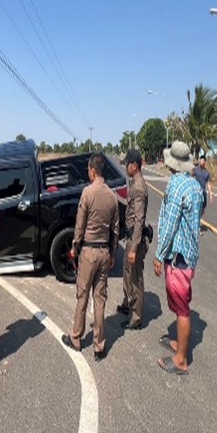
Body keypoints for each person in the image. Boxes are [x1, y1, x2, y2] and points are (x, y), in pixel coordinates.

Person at [62, 153, 119, 361]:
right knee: (100, 299)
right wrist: (112, 253)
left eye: (88, 170)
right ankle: (99, 346)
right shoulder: (112, 196)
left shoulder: (87, 193)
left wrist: (74, 247)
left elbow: (80, 225)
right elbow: (115, 229)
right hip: (104, 252)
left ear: (93, 171)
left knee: (82, 295)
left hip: (89, 252)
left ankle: (76, 338)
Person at [153, 141, 203, 375]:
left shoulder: (176, 186)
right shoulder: (194, 185)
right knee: (180, 302)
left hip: (178, 256)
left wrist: (159, 254)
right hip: (189, 253)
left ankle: (181, 359)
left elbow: (170, 224)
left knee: (181, 307)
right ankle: (178, 345)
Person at [117, 149, 149, 330]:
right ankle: (128, 304)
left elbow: (139, 219)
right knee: (127, 273)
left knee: (135, 278)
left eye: (127, 164)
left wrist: (134, 248)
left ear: (134, 165)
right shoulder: (134, 184)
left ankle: (136, 317)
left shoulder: (139, 188)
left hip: (135, 239)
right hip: (131, 236)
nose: (125, 167)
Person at [194, 154, 214, 218]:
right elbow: (190, 176)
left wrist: (210, 195)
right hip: (196, 191)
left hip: (203, 192)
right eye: (200, 160)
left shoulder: (207, 172)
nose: (201, 162)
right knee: (196, 208)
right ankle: (196, 220)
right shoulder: (195, 170)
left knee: (203, 209)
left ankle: (198, 219)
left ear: (205, 162)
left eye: (203, 161)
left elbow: (208, 184)